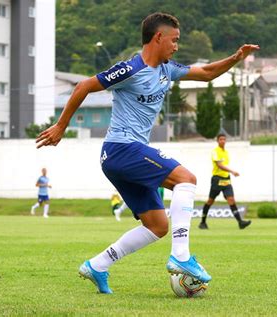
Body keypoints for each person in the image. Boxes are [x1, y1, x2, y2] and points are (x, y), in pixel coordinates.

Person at [36, 12, 259, 294]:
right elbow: (83, 86)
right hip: (121, 149)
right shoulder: (130, 69)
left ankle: (98, 264)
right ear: (158, 37)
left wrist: (236, 57)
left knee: (157, 225)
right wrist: (61, 126)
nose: (177, 46)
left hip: (124, 155)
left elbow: (206, 73)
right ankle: (181, 256)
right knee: (186, 179)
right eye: (174, 40)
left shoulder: (167, 69)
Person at [199, 133, 251, 230]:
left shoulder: (226, 152)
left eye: (224, 139)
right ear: (217, 141)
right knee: (210, 201)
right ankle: (202, 222)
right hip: (217, 179)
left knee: (231, 200)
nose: (222, 141)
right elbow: (219, 165)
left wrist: (229, 173)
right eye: (220, 139)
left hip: (226, 179)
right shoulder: (215, 152)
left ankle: (240, 222)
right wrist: (232, 171)